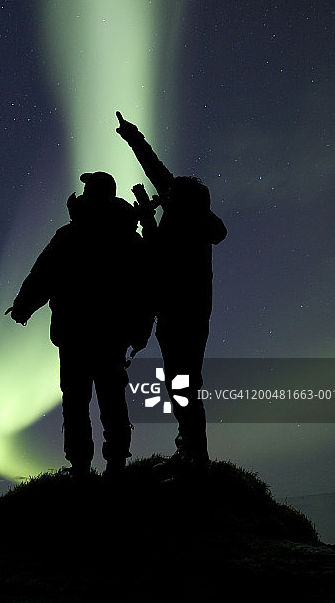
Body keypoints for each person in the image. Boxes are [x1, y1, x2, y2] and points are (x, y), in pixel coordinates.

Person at [6, 171, 154, 478]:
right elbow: (146, 289)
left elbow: (43, 274)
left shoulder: (70, 236)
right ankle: (113, 464)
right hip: (111, 334)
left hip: (75, 333)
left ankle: (82, 467)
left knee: (77, 401)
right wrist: (140, 330)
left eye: (89, 189)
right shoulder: (128, 238)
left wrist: (24, 306)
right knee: (110, 400)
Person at [115, 111, 227, 470]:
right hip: (182, 314)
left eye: (171, 195)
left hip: (182, 316)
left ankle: (195, 454)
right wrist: (134, 138)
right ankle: (191, 449)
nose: (164, 195)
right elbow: (157, 171)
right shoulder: (191, 217)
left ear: (183, 201)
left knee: (183, 382)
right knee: (182, 382)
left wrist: (148, 225)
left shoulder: (187, 224)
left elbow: (161, 257)